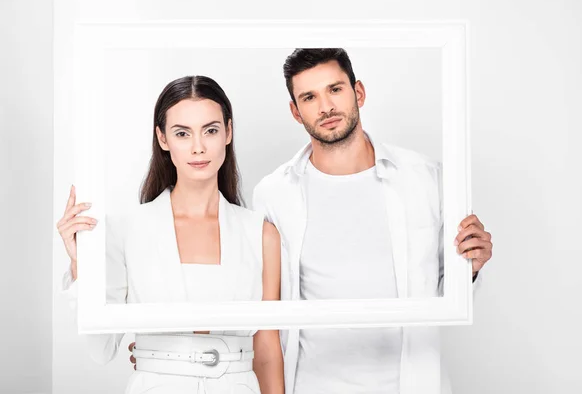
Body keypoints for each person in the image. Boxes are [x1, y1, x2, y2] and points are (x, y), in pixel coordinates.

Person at [251, 48, 494, 394]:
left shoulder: (425, 179)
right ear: (295, 111)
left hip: (411, 384)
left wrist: (470, 266)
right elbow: (266, 321)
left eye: (335, 89)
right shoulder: (273, 194)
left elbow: (444, 292)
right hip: (312, 385)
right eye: (309, 97)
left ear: (358, 92)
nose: (325, 107)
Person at [57, 76, 284, 394]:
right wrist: (83, 266)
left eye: (211, 130)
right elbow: (101, 349)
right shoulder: (127, 228)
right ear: (162, 138)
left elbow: (268, 349)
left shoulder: (260, 234)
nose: (198, 147)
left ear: (228, 132)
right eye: (182, 133)